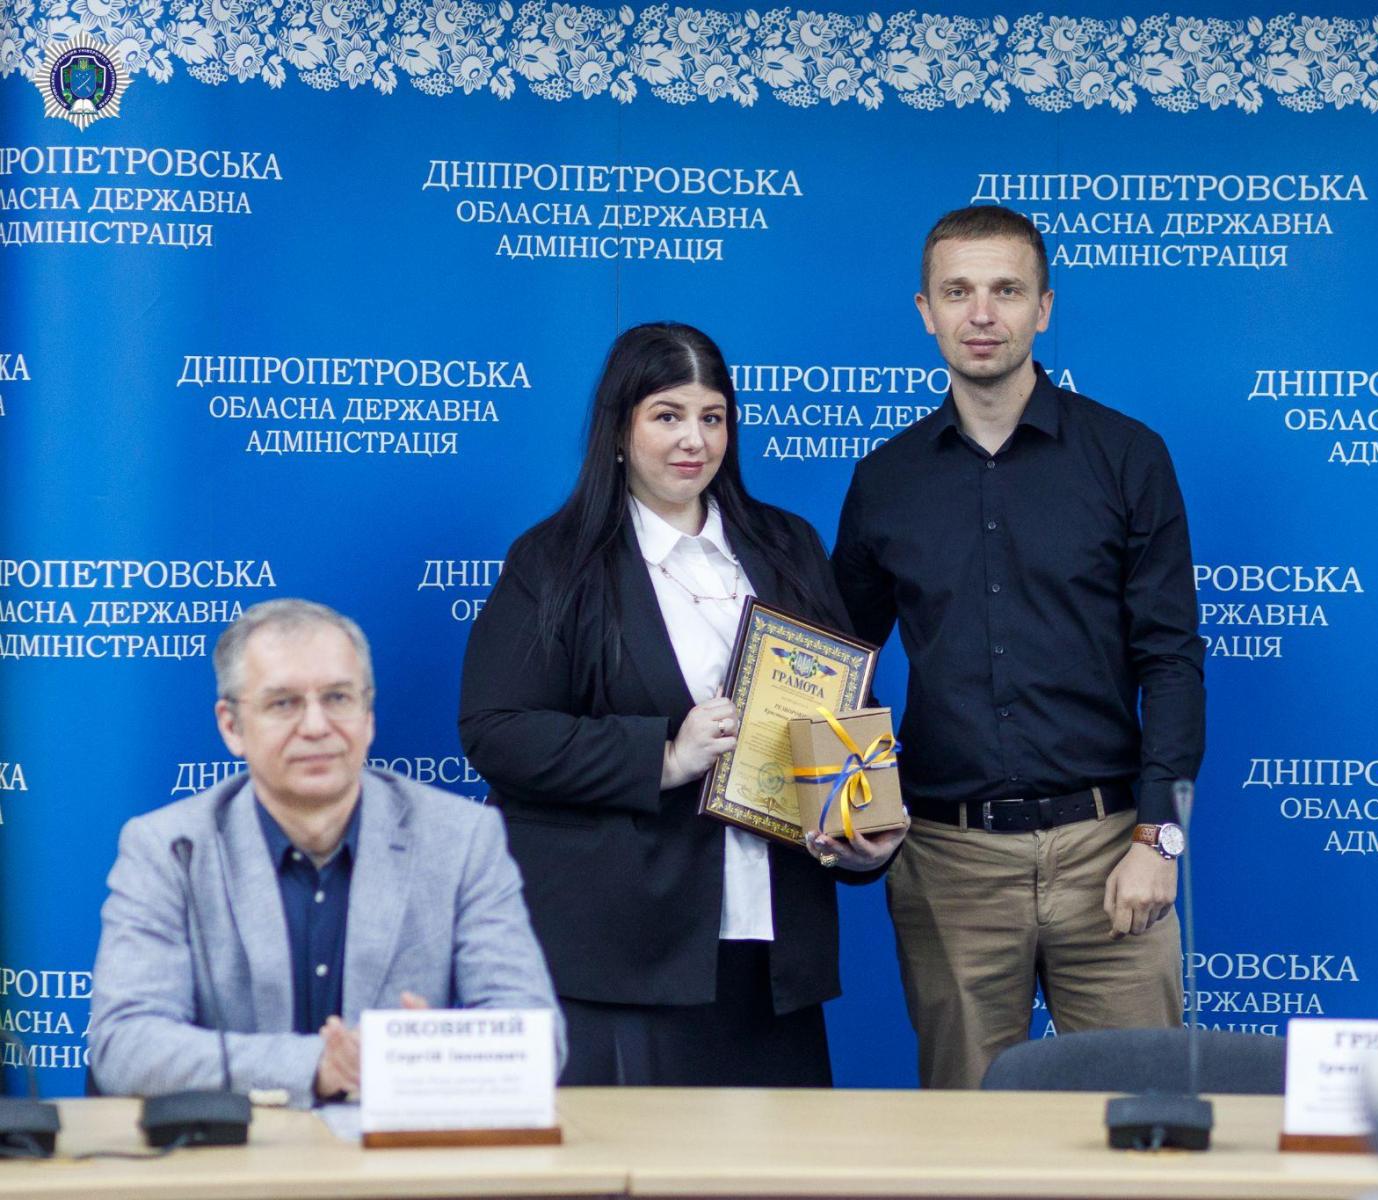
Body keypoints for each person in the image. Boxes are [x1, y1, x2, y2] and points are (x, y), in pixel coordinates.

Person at [459, 321, 905, 1087]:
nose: (693, 440)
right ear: (620, 430)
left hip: (774, 954)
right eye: (667, 415)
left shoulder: (788, 544)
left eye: (712, 417)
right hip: (624, 956)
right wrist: (664, 758)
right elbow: (497, 730)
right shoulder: (556, 560)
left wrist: (862, 830)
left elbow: (845, 709)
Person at [832, 205, 1208, 1088]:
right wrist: (849, 810)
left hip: (1111, 848)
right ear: (925, 311)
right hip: (949, 865)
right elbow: (837, 665)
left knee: (1141, 1122)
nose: (981, 314)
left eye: (1005, 290)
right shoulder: (886, 481)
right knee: (968, 1136)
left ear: (1044, 308)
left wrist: (1160, 839)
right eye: (957, 292)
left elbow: (1171, 660)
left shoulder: (1128, 457)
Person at [89, 599, 563, 1106]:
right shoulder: (169, 849)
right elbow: (125, 1045)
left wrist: (427, 1056)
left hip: (399, 1151)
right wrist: (315, 1065)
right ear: (232, 726)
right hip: (234, 1149)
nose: (316, 726)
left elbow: (539, 1039)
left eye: (338, 698)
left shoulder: (461, 839)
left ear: (368, 716)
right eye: (283, 704)